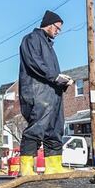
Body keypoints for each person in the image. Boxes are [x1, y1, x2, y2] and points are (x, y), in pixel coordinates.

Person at [18, 10, 71, 176]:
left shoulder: (48, 44)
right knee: (37, 126)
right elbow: (34, 63)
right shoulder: (32, 39)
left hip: (53, 92)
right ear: (49, 24)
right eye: (57, 28)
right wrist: (55, 76)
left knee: (55, 128)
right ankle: (26, 167)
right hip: (37, 91)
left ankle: (53, 165)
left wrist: (62, 81)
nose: (58, 31)